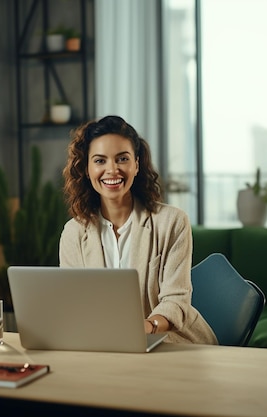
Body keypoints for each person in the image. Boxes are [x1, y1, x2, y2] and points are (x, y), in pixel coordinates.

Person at [60, 115, 218, 345]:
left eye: (122, 159)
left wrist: (148, 325)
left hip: (171, 341)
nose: (112, 170)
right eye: (100, 161)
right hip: (106, 345)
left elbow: (176, 300)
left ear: (136, 164)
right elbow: (73, 303)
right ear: (86, 168)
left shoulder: (173, 222)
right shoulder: (74, 233)